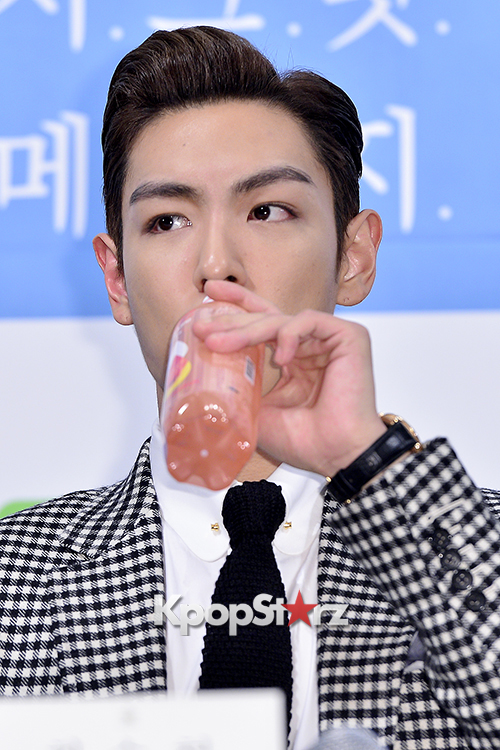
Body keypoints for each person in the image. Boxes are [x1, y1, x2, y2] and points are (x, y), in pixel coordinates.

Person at [1, 26, 499, 750]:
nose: (216, 265)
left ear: (354, 256)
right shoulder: (15, 577)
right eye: (167, 220)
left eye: (267, 210)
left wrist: (366, 459)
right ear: (117, 279)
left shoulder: (460, 547)